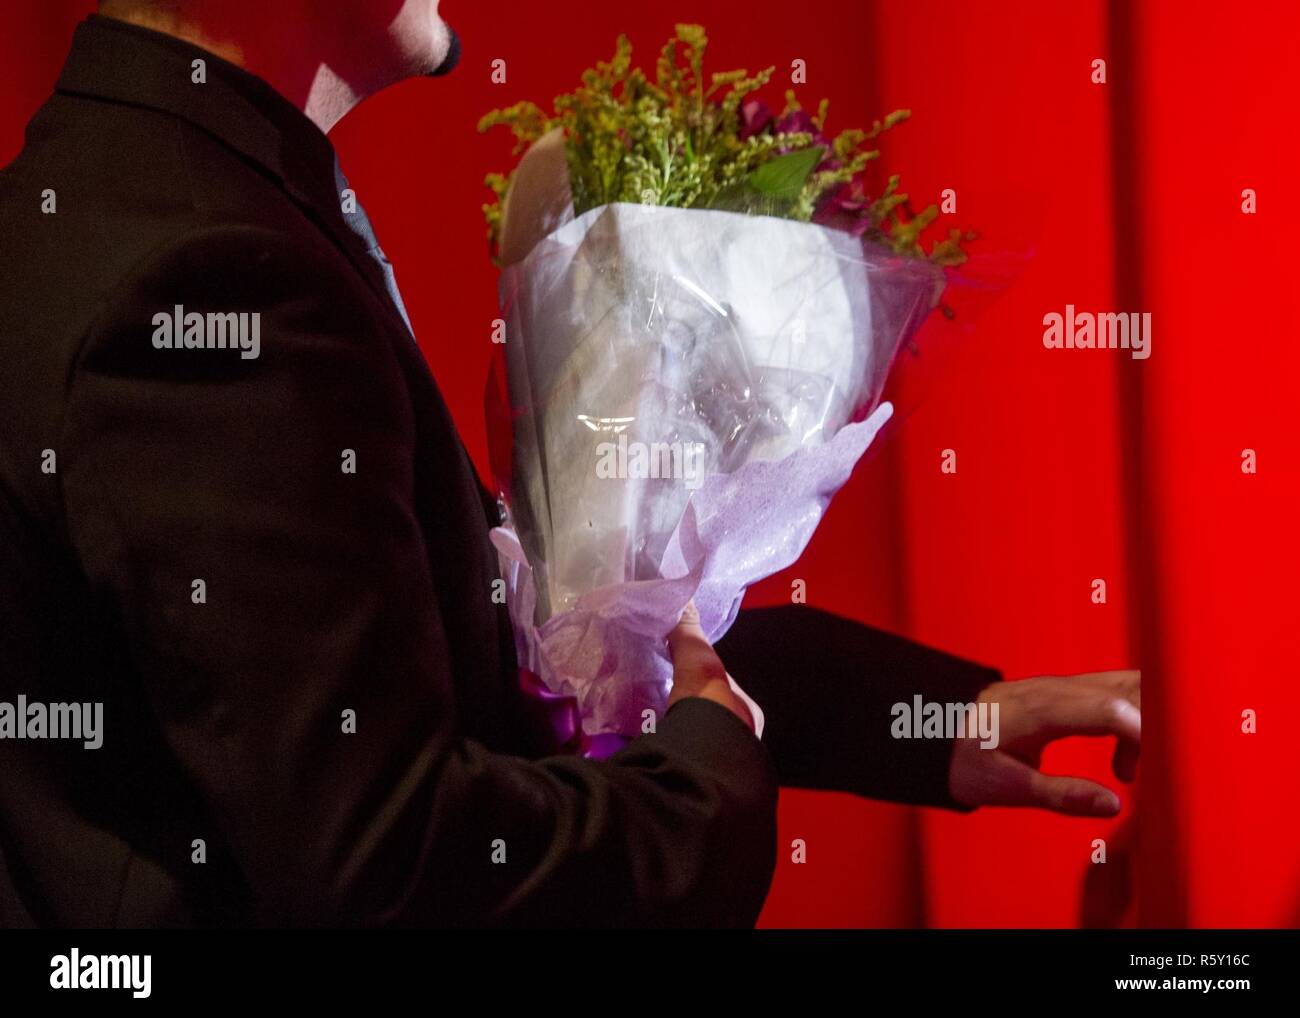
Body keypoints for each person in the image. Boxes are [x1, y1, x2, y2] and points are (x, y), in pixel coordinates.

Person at [0, 1, 1141, 928]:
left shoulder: (152, 191)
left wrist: (947, 717)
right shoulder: (201, 270)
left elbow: (471, 667)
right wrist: (705, 793)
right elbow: (388, 861)